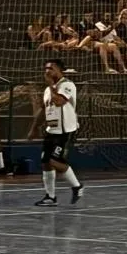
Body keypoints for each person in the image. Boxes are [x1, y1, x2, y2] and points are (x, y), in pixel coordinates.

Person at [34, 59, 82, 206]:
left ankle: (77, 186)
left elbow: (59, 102)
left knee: (54, 161)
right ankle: (50, 197)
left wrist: (50, 84)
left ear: (60, 70)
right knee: (45, 162)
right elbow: (44, 109)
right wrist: (34, 127)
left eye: (51, 68)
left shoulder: (67, 85)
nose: (47, 71)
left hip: (65, 131)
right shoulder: (47, 90)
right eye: (46, 68)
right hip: (51, 130)